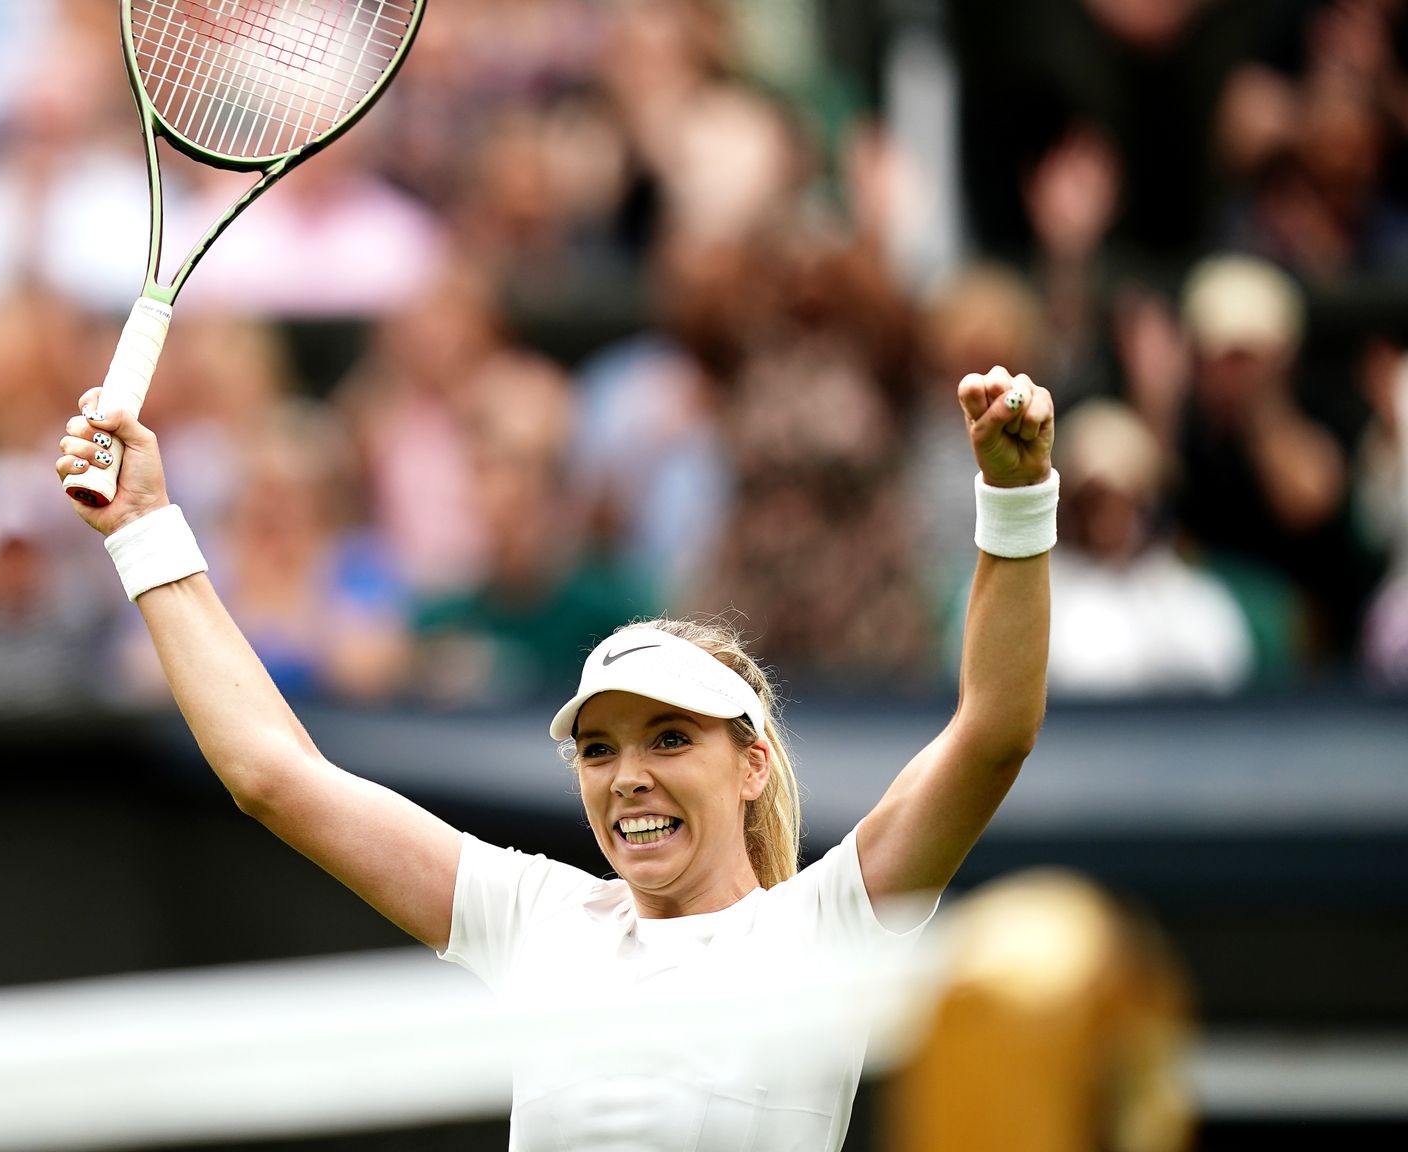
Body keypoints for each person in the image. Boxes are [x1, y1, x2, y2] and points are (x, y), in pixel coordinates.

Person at [54, 364, 1057, 1150]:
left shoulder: (824, 926)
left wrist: (1015, 503)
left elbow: (993, 732)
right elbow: (272, 774)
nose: (627, 777)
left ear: (749, 763)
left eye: (670, 738)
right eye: (597, 747)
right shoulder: (533, 919)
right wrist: (145, 530)